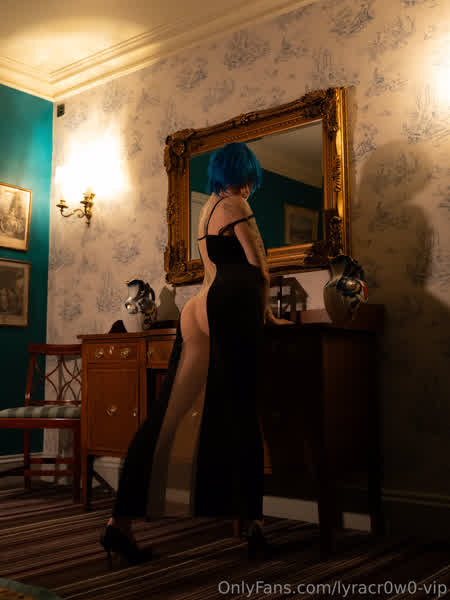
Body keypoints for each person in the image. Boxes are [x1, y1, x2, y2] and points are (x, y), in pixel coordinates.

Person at [100, 142, 294, 568]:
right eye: (251, 177)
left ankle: (119, 523)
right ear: (244, 174)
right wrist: (268, 316)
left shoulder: (207, 208)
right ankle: (256, 527)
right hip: (230, 306)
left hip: (199, 308)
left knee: (166, 417)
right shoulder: (237, 203)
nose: (251, 185)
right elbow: (259, 268)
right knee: (242, 414)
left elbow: (213, 269)